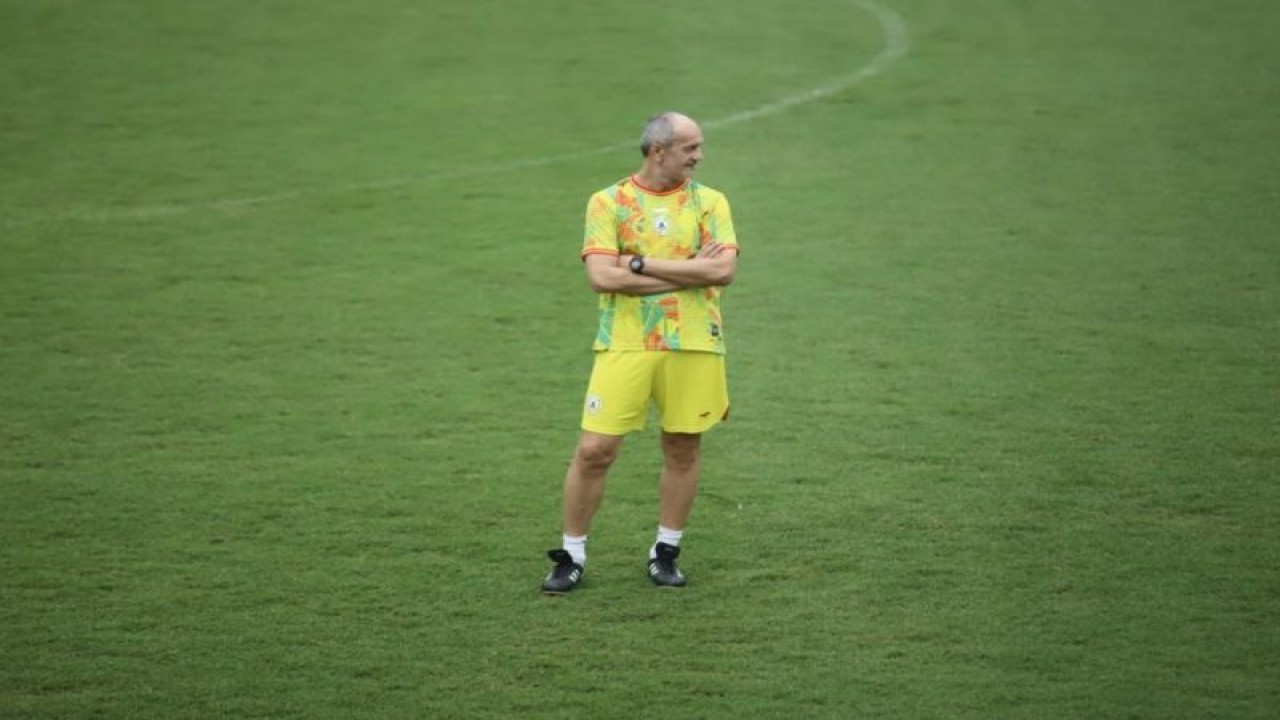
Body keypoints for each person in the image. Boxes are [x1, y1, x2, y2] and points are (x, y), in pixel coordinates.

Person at [541, 111, 740, 594]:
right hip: (625, 342)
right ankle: (572, 554)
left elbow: (722, 272)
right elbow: (602, 278)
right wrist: (686, 267)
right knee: (594, 450)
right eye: (690, 147)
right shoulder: (609, 202)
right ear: (659, 152)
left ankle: (665, 551)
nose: (699, 155)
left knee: (683, 445)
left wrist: (637, 265)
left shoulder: (710, 202)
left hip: (693, 341)